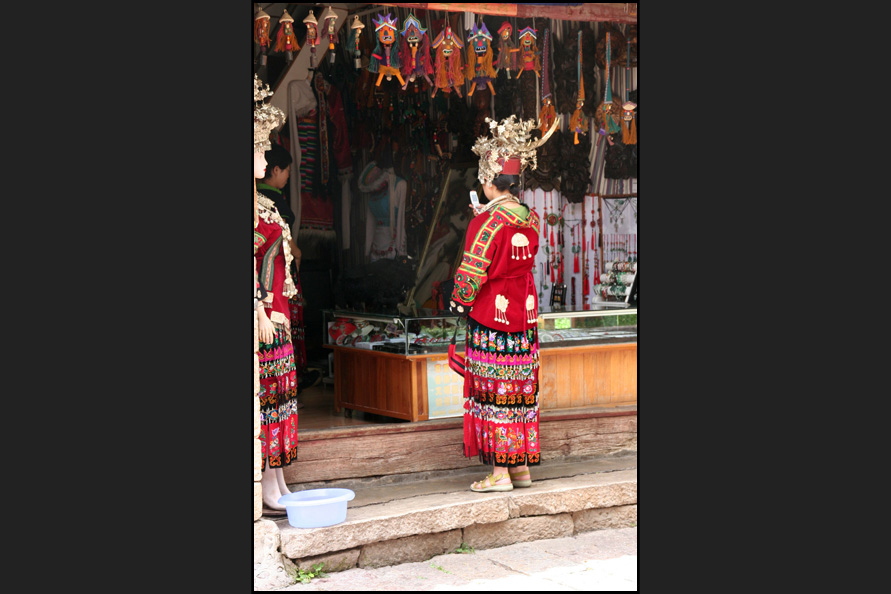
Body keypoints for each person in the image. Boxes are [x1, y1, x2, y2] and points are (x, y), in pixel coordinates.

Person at [449, 114, 559, 492]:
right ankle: (521, 469)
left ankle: (499, 473)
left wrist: (459, 301)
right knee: (519, 389)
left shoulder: (486, 222)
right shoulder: (530, 218)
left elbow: (472, 272)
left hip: (492, 318)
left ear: (488, 180)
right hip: (523, 314)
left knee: (496, 391)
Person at [254, 75, 298, 512]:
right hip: (264, 317)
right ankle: (266, 481)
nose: (263, 160)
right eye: (257, 151)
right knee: (268, 398)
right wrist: (260, 311)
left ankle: (278, 477)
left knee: (281, 397)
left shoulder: (263, 205)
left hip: (277, 313)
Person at [257, 145, 322, 395]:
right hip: (272, 282)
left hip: (273, 281)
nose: (287, 176)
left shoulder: (266, 200)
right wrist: (297, 254)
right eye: (286, 171)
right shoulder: (268, 204)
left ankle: (286, 390)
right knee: (279, 334)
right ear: (276, 170)